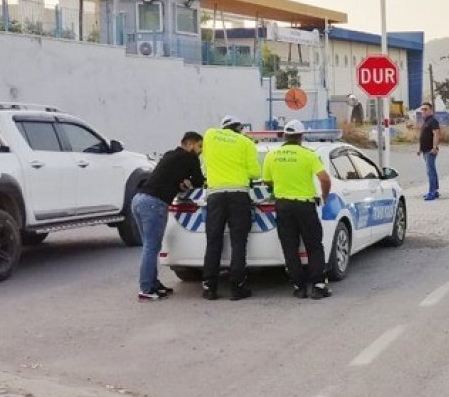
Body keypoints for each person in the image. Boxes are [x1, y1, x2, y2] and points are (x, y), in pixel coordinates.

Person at [262, 120, 332, 300]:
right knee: (314, 245)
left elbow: (267, 181)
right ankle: (318, 286)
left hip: (283, 206)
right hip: (305, 206)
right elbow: (324, 179)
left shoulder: (272, 155)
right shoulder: (308, 155)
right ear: (301, 137)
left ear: (284, 136)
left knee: (289, 247)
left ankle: (299, 287)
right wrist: (324, 196)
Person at [131, 132, 204, 301]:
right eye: (200, 146)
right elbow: (200, 182)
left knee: (149, 247)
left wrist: (181, 183)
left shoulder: (170, 155)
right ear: (191, 144)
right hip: (154, 204)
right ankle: (146, 289)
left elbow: (167, 178)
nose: (200, 151)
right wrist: (189, 183)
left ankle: (153, 283)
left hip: (139, 200)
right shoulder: (190, 158)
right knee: (151, 247)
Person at [201, 115, 260, 301]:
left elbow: (205, 164)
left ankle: (209, 287)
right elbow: (254, 173)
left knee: (213, 241)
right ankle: (237, 288)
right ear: (239, 128)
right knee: (238, 242)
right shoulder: (245, 142)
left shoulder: (209, 135)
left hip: (215, 195)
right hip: (238, 195)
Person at [417, 102, 441, 201]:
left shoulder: (433, 121)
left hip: (430, 151)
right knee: (432, 171)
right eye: (422, 109)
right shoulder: (425, 122)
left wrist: (435, 147)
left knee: (430, 171)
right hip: (425, 150)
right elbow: (423, 136)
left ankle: (431, 192)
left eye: (426, 109)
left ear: (430, 110)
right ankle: (435, 191)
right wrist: (419, 149)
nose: (423, 111)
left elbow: (436, 134)